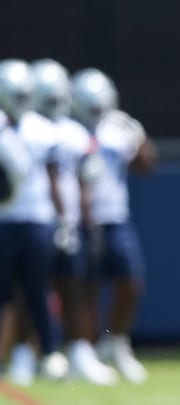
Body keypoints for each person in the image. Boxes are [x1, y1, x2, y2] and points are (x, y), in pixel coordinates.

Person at [31, 59, 119, 385]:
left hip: (68, 221)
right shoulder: (28, 129)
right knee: (31, 291)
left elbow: (86, 178)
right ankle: (32, 353)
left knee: (76, 288)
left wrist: (86, 221)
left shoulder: (72, 132)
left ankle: (80, 350)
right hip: (34, 219)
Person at [70, 67, 157, 384]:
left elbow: (147, 165)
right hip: (77, 220)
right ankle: (86, 351)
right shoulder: (66, 129)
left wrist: (138, 136)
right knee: (86, 288)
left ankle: (115, 342)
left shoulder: (118, 126)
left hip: (115, 217)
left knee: (131, 283)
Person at [0, 59, 68, 385]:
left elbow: (53, 178)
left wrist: (64, 220)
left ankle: (47, 352)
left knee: (37, 289)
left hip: (37, 219)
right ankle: (10, 356)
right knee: (5, 294)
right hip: (3, 220)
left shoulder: (42, 129)